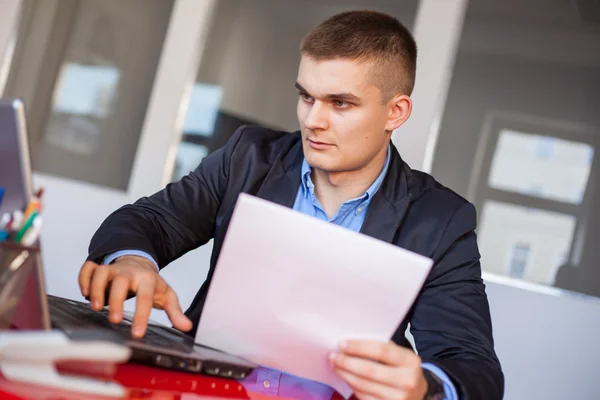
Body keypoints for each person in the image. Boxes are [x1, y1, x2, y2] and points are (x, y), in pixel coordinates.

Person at [78, 10, 503, 400]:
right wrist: (133, 260)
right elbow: (151, 220)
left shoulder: (440, 219)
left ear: (395, 112)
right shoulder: (248, 157)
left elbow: (471, 365)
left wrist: (424, 388)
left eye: (340, 103)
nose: (312, 120)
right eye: (307, 97)